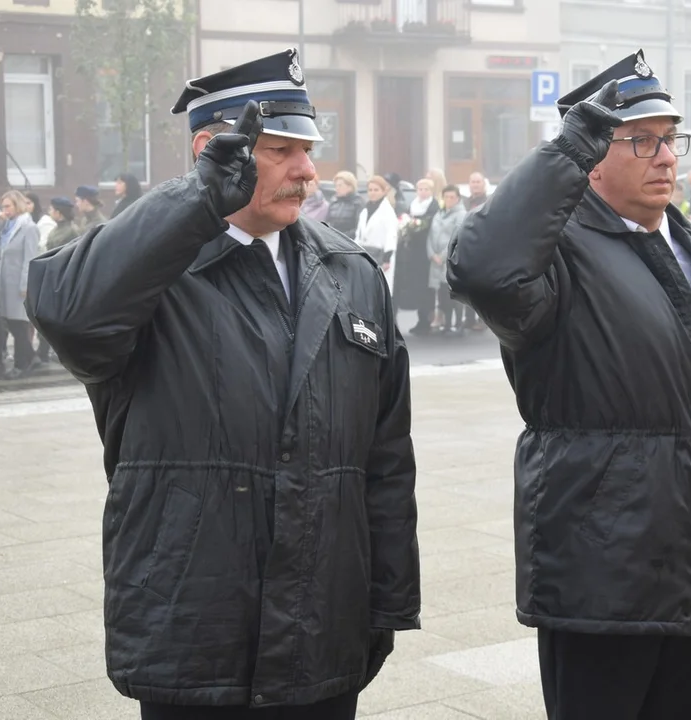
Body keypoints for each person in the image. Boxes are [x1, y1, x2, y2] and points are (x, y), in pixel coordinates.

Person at [26, 48, 420, 719]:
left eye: (309, 148)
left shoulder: (348, 272)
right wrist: (196, 201)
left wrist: (385, 603)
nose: (307, 170)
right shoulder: (149, 272)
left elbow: (384, 461)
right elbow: (65, 309)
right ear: (216, 151)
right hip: (193, 634)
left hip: (322, 632)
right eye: (281, 150)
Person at [448, 49, 691, 720]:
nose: (664, 157)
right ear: (590, 155)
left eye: (669, 139)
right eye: (639, 141)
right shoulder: (556, 256)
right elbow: (481, 269)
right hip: (600, 581)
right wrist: (561, 153)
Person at [0, 190, 39, 378]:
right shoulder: (7, 225)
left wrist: (25, 285)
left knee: (18, 324)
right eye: (3, 206)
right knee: (10, 322)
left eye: (8, 206)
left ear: (17, 205)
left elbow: (30, 258)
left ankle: (23, 363)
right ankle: (30, 358)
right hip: (4, 284)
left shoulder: (28, 227)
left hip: (17, 285)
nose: (5, 210)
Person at [394, 177, 438, 336]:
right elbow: (406, 219)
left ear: (431, 191)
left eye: (426, 189)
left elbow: (430, 224)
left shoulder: (433, 205)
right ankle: (420, 319)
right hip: (412, 252)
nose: (423, 192)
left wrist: (416, 225)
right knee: (417, 286)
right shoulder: (413, 205)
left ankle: (427, 319)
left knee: (426, 287)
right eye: (420, 189)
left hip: (426, 250)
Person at [427, 184, 466, 335]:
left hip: (450, 259)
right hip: (436, 261)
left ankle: (458, 323)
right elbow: (430, 236)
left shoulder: (461, 214)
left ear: (458, 198)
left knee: (453, 293)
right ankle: (447, 323)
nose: (449, 200)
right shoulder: (439, 213)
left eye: (452, 197)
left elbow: (457, 237)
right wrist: (431, 254)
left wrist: (443, 255)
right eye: (446, 197)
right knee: (442, 294)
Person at [354, 175, 399, 290]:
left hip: (381, 256)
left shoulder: (388, 211)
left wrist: (387, 258)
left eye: (376, 190)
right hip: (364, 254)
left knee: (379, 289)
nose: (372, 193)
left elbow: (391, 235)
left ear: (384, 191)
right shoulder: (365, 210)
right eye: (370, 190)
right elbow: (359, 234)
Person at [325, 170, 364, 237]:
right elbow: (327, 222)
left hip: (349, 241)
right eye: (336, 186)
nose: (337, 188)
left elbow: (359, 228)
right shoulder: (334, 201)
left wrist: (342, 237)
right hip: (332, 239)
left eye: (340, 185)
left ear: (350, 186)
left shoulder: (358, 202)